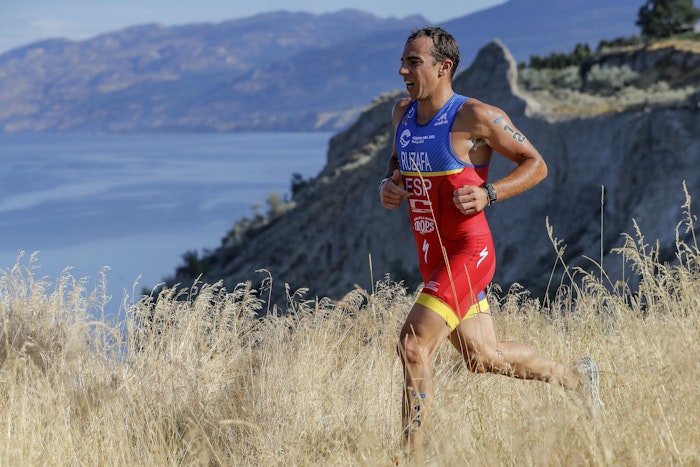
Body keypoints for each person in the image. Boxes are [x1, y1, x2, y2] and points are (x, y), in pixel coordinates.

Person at [378, 27, 601, 452]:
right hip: (433, 258)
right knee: (482, 357)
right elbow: (397, 161)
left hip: (469, 251)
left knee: (413, 345)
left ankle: (410, 456)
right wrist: (388, 184)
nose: (402, 70)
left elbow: (536, 164)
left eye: (414, 62)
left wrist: (490, 193)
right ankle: (575, 379)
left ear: (443, 67)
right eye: (403, 61)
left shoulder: (476, 116)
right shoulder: (401, 113)